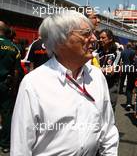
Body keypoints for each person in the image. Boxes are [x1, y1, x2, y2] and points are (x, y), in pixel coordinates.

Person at [11, 11, 119, 156]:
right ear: (60, 40)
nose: (94, 39)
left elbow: (108, 129)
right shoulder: (34, 83)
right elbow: (21, 146)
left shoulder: (97, 76)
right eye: (86, 33)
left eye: (93, 33)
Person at [0, 21, 23, 153]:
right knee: (7, 114)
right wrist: (14, 87)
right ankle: (5, 144)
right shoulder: (14, 48)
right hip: (6, 85)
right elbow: (16, 71)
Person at [98, 29, 122, 112]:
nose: (100, 40)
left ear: (110, 39)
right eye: (100, 38)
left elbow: (111, 71)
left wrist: (98, 69)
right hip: (98, 85)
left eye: (103, 38)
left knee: (109, 110)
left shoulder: (117, 53)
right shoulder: (97, 52)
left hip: (111, 86)